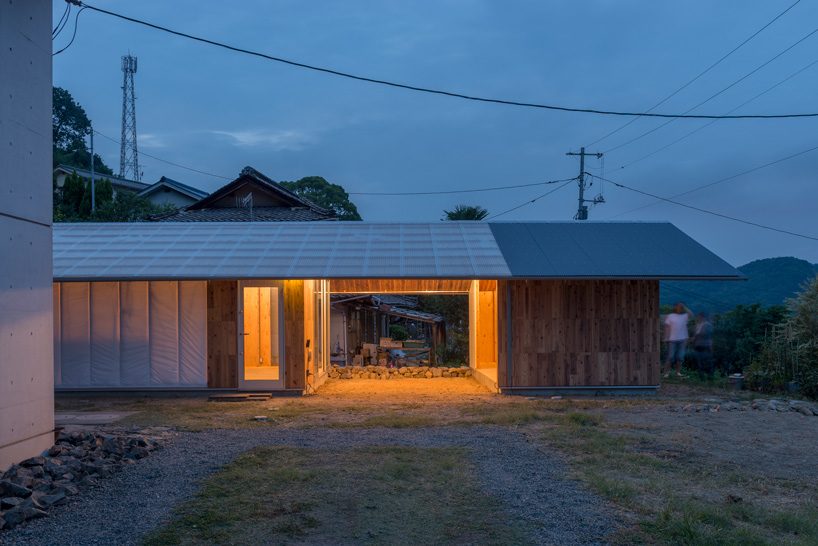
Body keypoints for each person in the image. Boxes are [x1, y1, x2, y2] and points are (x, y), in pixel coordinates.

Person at [663, 302, 693, 378]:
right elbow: (667, 328)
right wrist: (666, 338)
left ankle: (678, 373)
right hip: (672, 340)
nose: (679, 308)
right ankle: (666, 373)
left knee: (680, 357)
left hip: (683, 339)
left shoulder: (685, 316)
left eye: (681, 307)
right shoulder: (670, 316)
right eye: (678, 306)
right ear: (675, 307)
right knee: (670, 357)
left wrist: (684, 306)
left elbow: (691, 314)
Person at [693, 312, 715, 380]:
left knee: (707, 361)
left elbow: (705, 334)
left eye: (699, 317)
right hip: (698, 345)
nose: (698, 318)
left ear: (703, 317)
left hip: (706, 345)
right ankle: (702, 378)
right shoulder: (697, 325)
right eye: (698, 317)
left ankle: (710, 377)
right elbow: (695, 335)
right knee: (699, 362)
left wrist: (696, 336)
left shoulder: (707, 325)